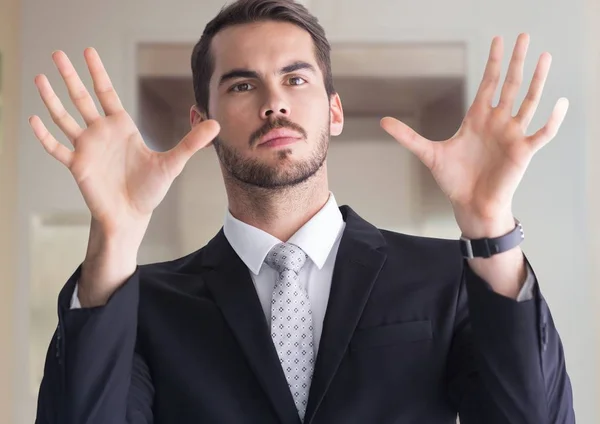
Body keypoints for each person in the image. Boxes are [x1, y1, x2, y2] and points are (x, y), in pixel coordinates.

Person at [31, 0, 575, 422]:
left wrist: (490, 225)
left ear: (333, 110)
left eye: (296, 79)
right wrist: (115, 234)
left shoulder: (445, 278)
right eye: (242, 84)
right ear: (201, 123)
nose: (275, 102)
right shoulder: (146, 304)